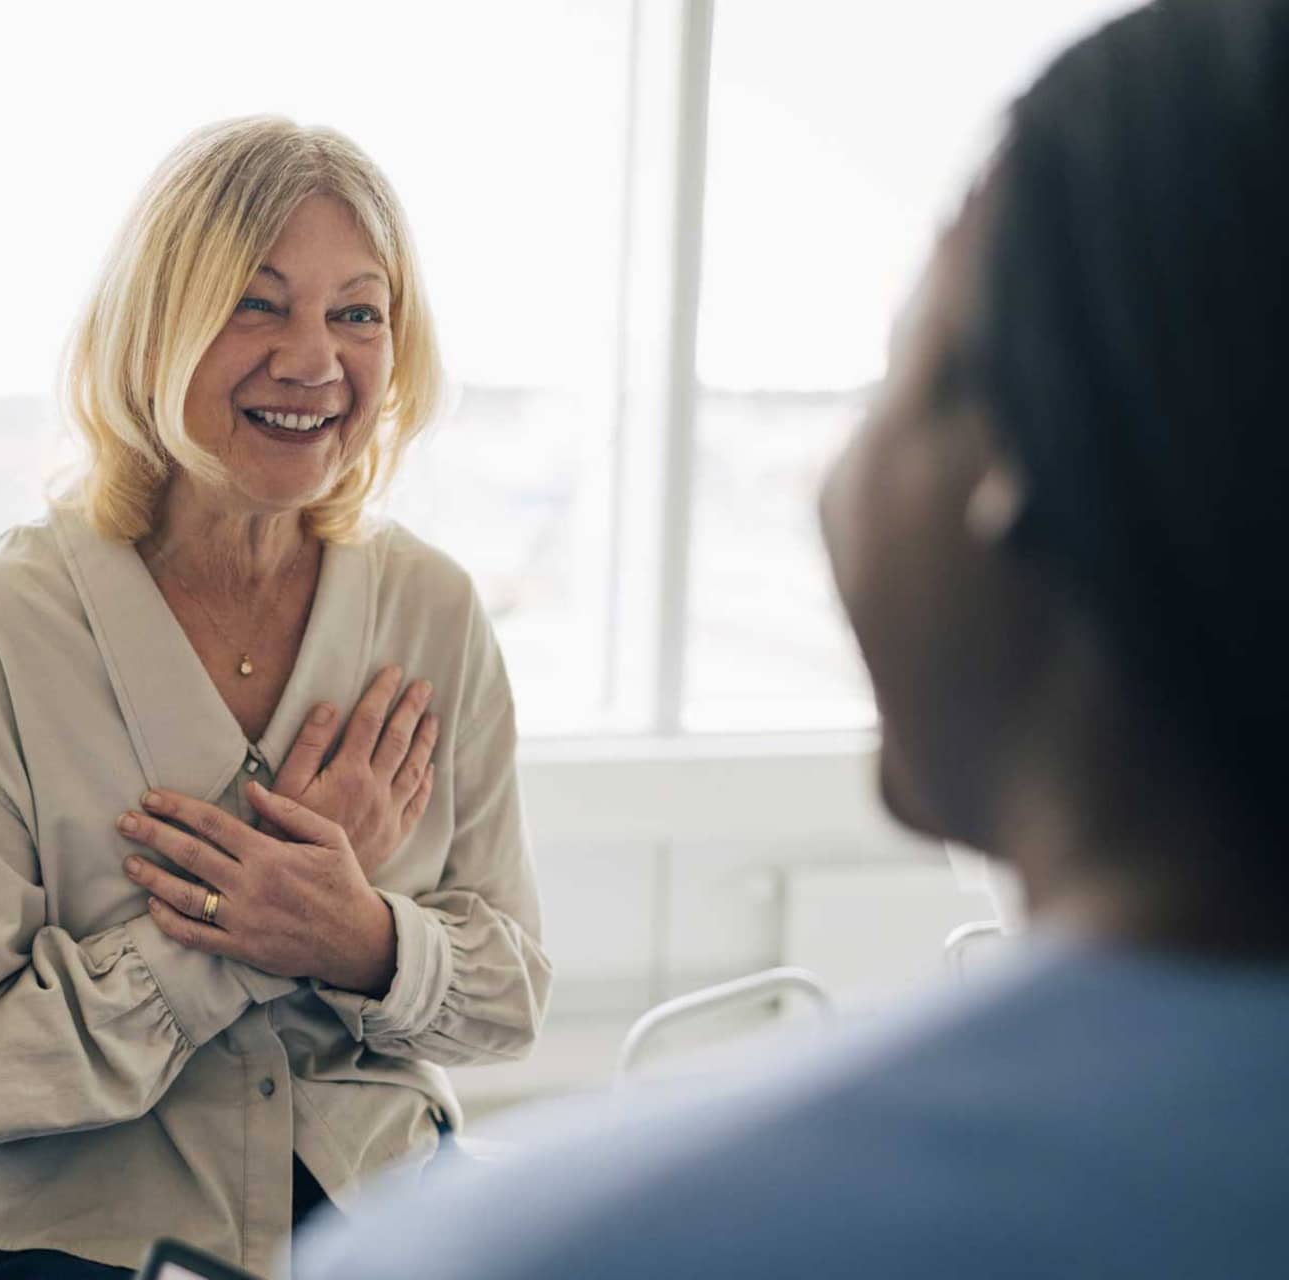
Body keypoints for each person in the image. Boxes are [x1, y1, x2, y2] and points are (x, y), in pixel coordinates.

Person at [298, 0, 1289, 1275]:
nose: (818, 482)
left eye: (892, 370)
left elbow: (500, 989)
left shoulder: (543, 1249)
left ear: (1018, 469)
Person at [0, 116, 552, 1279]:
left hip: (380, 1209)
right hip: (61, 1234)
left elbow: (505, 998)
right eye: (255, 302)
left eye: (357, 312)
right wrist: (258, 920)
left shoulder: (431, 610)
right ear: (153, 329)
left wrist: (363, 934)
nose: (312, 360)